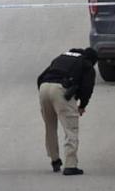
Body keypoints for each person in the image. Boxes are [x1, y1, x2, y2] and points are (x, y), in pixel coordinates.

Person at [37, 48, 97, 176]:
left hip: (44, 87)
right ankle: (70, 165)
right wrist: (82, 105)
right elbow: (87, 88)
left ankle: (55, 160)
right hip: (61, 90)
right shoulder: (87, 64)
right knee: (71, 129)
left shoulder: (62, 57)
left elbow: (40, 77)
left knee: (50, 127)